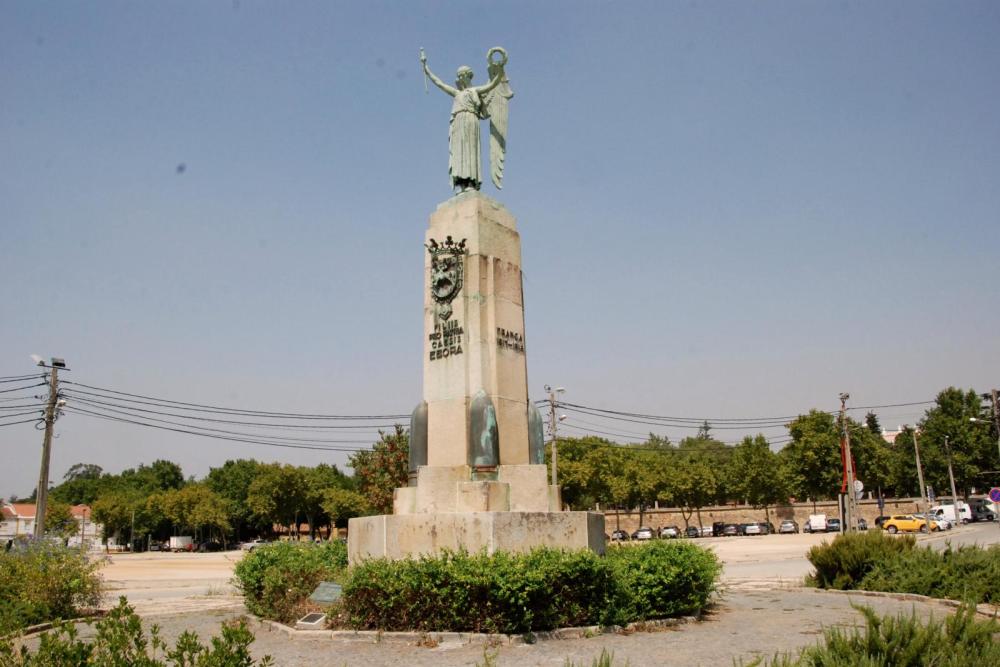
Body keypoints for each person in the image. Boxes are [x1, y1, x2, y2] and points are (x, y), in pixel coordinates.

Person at [421, 53, 504, 192]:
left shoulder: (475, 90)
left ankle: (471, 182)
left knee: (470, 150)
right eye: (458, 76)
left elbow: (492, 84)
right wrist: (426, 69)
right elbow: (440, 83)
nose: (459, 78)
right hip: (458, 123)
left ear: (467, 75)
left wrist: (500, 70)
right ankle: (462, 183)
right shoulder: (457, 93)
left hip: (471, 121)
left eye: (461, 75)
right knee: (459, 152)